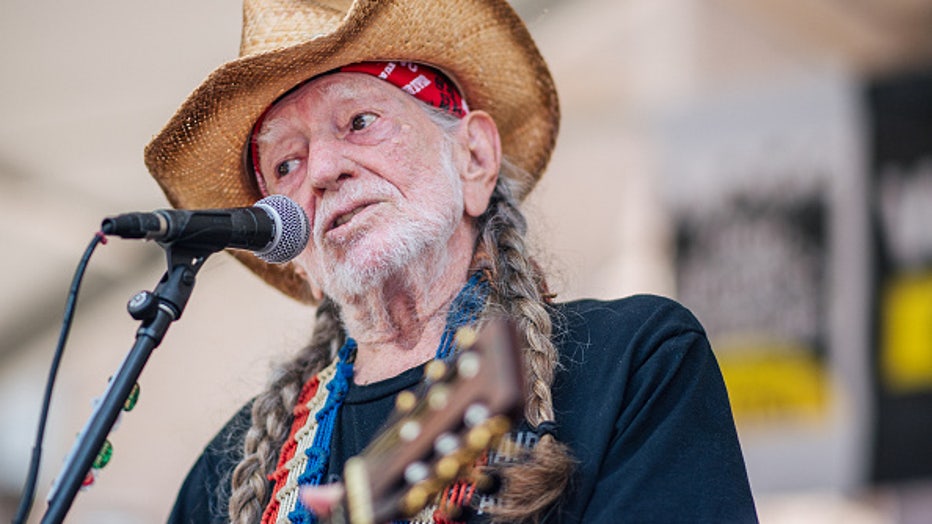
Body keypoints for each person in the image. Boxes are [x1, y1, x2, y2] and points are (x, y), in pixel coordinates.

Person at [147, 0, 757, 522]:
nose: (325, 170)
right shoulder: (223, 474)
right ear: (295, 257)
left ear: (474, 159)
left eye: (360, 122)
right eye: (287, 164)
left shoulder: (632, 360)